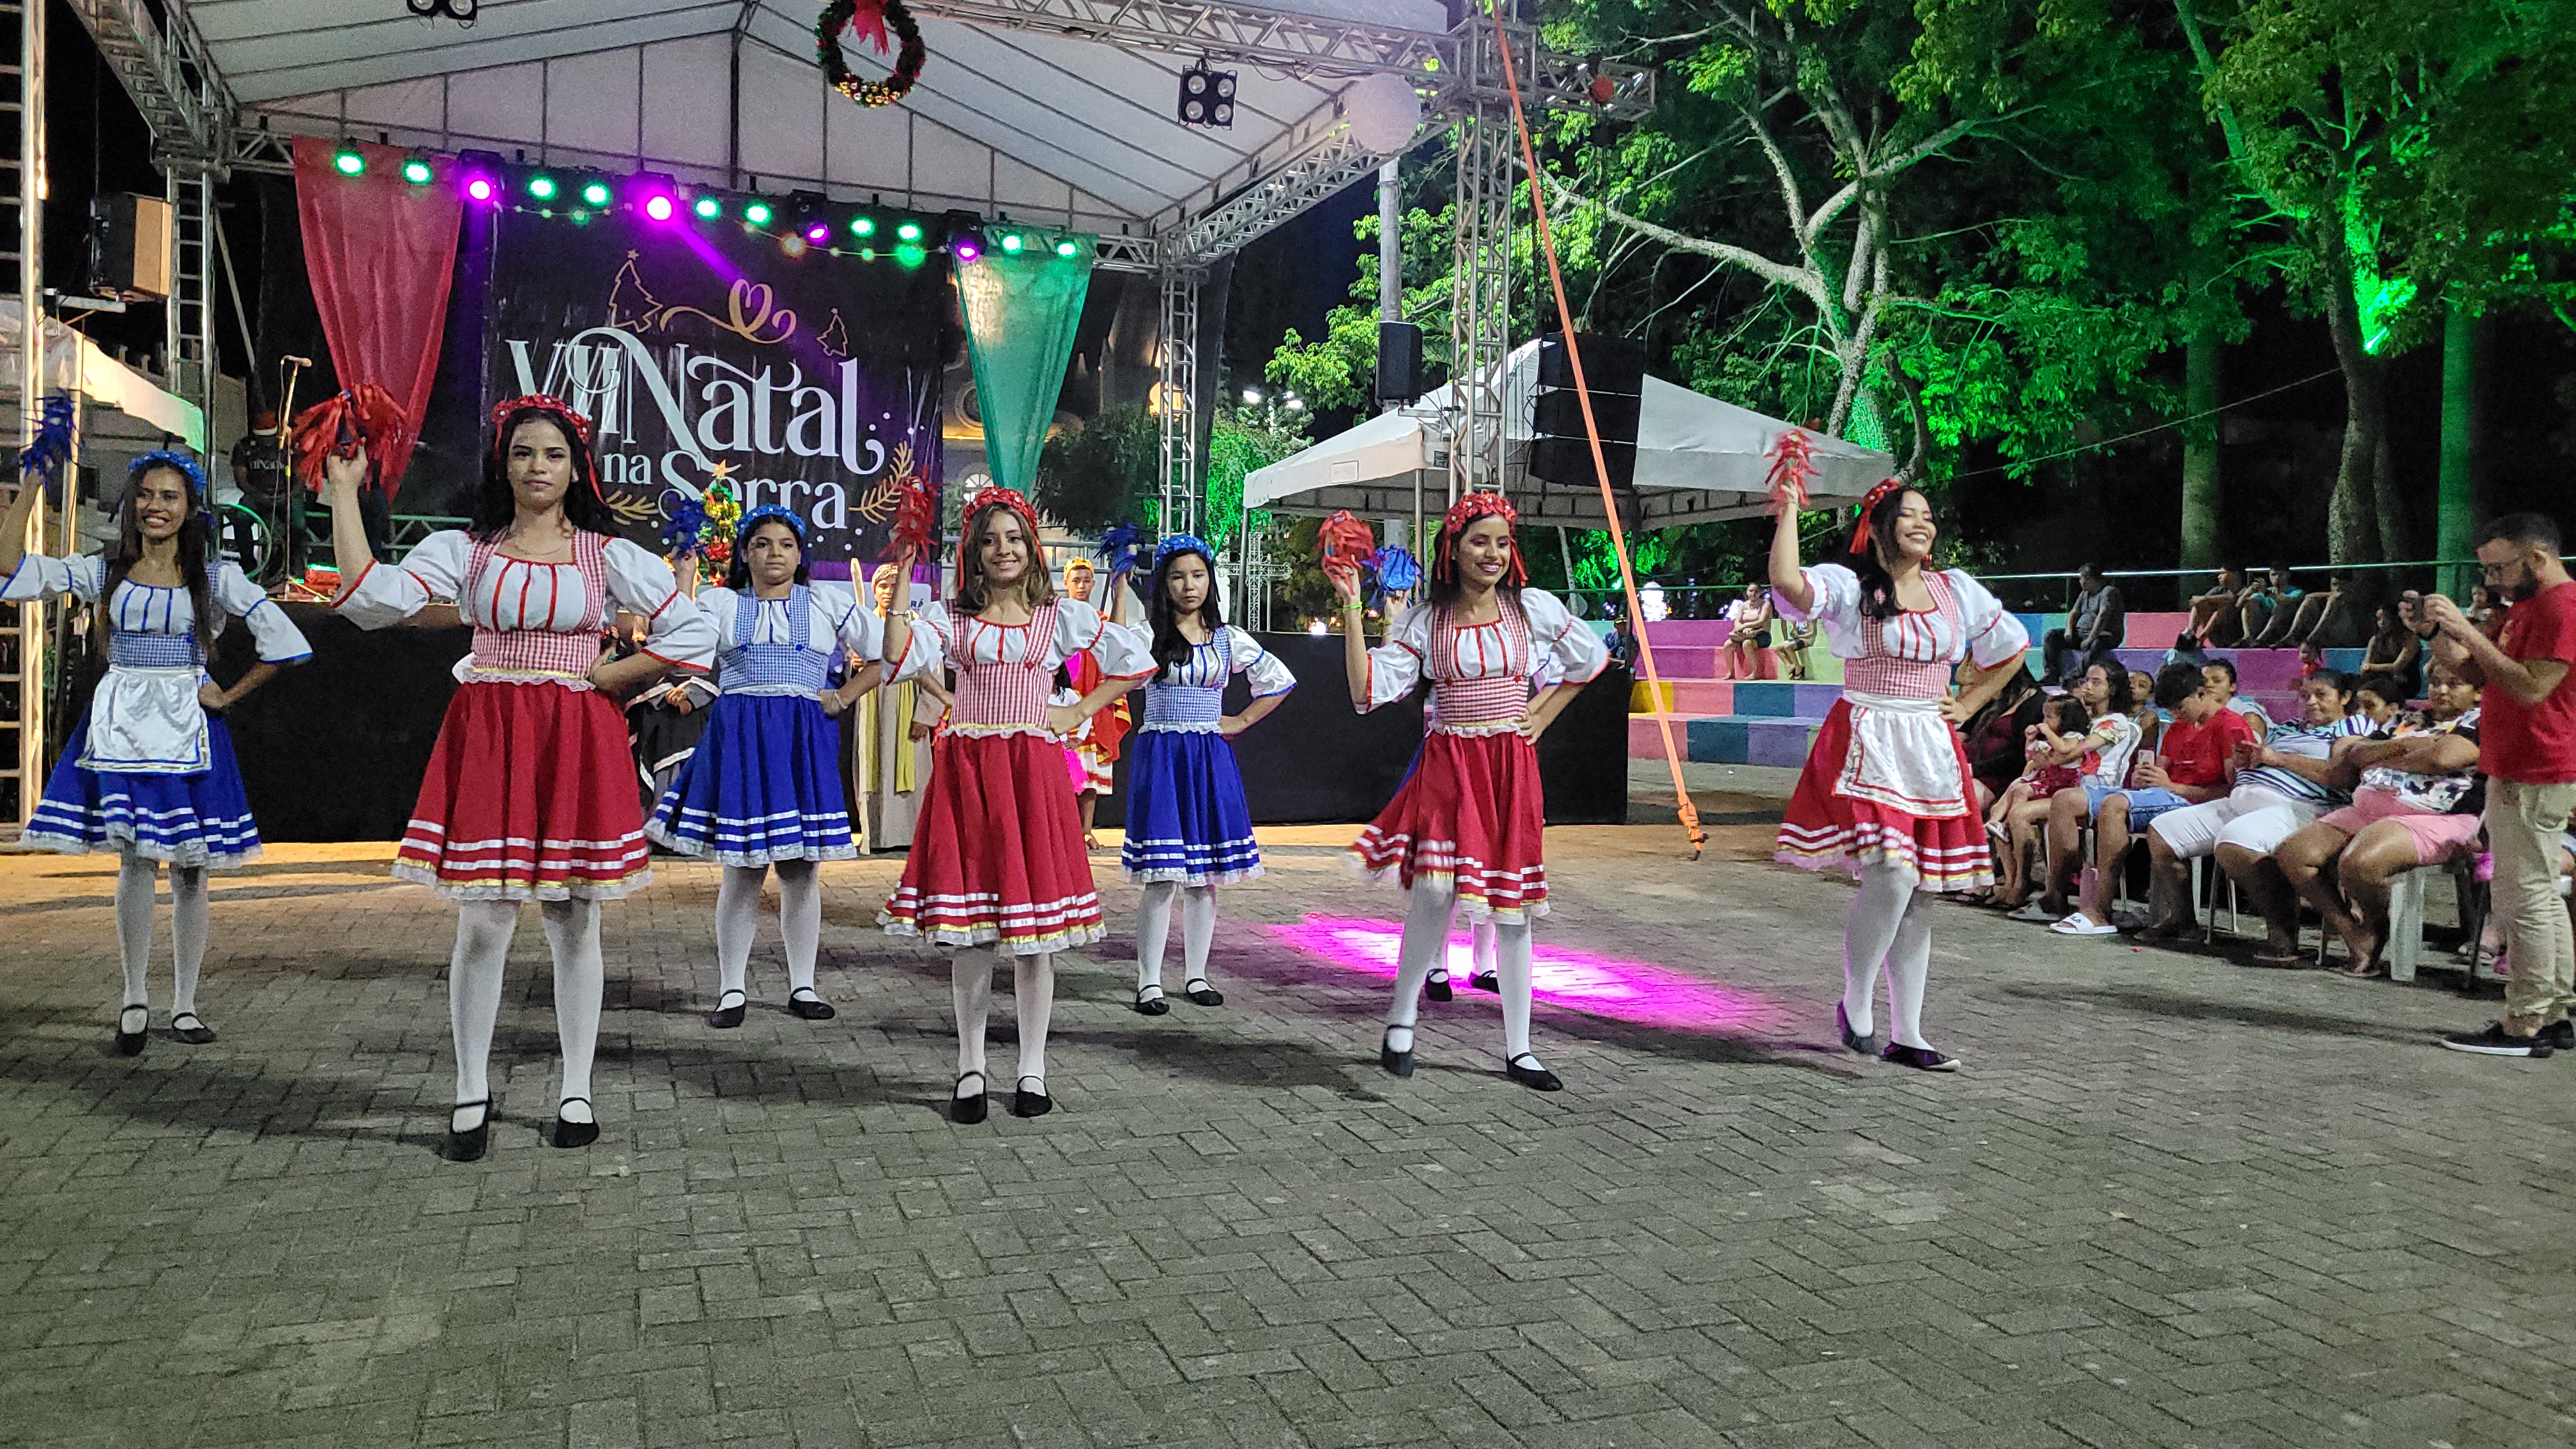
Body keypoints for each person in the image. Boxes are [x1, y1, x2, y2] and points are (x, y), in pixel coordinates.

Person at [327, 398, 717, 1160]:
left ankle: (577, 1089)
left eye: (553, 454)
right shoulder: (465, 550)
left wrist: (617, 675)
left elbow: (695, 628)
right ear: (502, 466)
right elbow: (369, 602)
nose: (538, 466)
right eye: (523, 453)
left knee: (575, 919)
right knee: (485, 920)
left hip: (574, 736)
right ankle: (471, 1089)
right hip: (493, 733)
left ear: (576, 469)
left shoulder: (606, 556)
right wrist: (345, 491)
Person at [0, 452, 311, 1054]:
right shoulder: (103, 570)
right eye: (145, 494)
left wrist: (229, 694)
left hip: (188, 729)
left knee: (191, 870)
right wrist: (33, 484)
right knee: (136, 861)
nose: (155, 506)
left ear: (190, 508)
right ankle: (135, 997)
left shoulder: (215, 579)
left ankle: (186, 1004)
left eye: (169, 496)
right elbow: (9, 566)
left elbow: (283, 640)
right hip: (121, 726)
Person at [879, 487, 1151, 1120]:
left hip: (1031, 778)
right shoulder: (951, 617)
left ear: (1031, 547)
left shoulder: (1059, 617)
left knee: (1035, 940)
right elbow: (895, 655)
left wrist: (1079, 711)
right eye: (989, 540)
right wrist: (904, 572)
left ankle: (1032, 1069)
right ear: (974, 553)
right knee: (973, 936)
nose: (1003, 550)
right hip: (969, 776)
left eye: (1013, 538)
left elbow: (1136, 662)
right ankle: (970, 1067)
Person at [1330, 492, 1609, 1091]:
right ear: (1453, 549)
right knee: (1435, 893)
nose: (1493, 554)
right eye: (1480, 541)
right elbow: (1365, 690)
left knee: (1513, 908)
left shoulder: (1530, 609)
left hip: (1509, 766)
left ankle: (1520, 1049)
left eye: (1503, 543)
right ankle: (1402, 1018)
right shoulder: (1426, 621)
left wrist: (1542, 713)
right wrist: (1352, 607)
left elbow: (1590, 659)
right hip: (1450, 763)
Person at [1769, 482, 2029, 1071]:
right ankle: (1856, 1000)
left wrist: (1969, 703)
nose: (1922, 524)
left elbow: (2012, 647)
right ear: (1879, 527)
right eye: (1908, 515)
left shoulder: (1955, 589)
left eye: (1928, 516)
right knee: (1893, 873)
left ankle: (1908, 1032)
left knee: (1921, 891)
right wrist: (1789, 509)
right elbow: (1787, 582)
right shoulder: (1851, 587)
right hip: (1869, 733)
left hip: (1930, 743)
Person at [647, 507, 882, 1027]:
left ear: (800, 556)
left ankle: (803, 985)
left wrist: (844, 696)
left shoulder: (824, 603)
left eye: (786, 544)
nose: (775, 553)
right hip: (741, 739)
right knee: (742, 869)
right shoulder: (724, 603)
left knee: (800, 871)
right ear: (745, 554)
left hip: (800, 741)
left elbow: (890, 652)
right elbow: (678, 645)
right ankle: (731, 989)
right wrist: (684, 580)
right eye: (762, 543)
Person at [1123, 535, 1296, 1015]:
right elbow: (1113, 663)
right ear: (1164, 584)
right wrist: (1118, 588)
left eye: (1198, 575)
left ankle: (1196, 975)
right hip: (1162, 756)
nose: (1189, 585)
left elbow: (1279, 680)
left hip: (1207, 757)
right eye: (1178, 576)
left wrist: (1241, 720)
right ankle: (1149, 981)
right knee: (1162, 875)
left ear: (1210, 581)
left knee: (1203, 876)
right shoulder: (1148, 635)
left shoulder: (1227, 638)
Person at [2425, 515, 2576, 1057]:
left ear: (2537, 558)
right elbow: (2476, 672)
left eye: (2499, 568)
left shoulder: (2563, 607)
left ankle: (2525, 1022)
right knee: (2536, 894)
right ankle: (2553, 1013)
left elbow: (2532, 687)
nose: (2493, 580)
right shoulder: (2527, 607)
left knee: (2523, 896)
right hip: (2515, 763)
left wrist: (2468, 632)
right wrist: (2437, 634)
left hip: (2537, 766)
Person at [2128, 673, 2372, 958]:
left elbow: (2340, 775)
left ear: (2344, 698)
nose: (2311, 702)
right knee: (2163, 832)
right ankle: (2183, 919)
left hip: (2299, 805)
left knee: (2235, 842)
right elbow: (2261, 761)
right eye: (2305, 696)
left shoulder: (2352, 726)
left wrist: (2277, 759)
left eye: (2321, 695)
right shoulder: (2287, 728)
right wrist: (2247, 760)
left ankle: (2283, 931)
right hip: (2242, 800)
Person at [2274, 666, 2482, 976]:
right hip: (2368, 809)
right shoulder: (2411, 719)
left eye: (2454, 684)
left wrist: (2383, 757)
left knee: (2359, 863)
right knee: (2294, 854)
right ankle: (2352, 932)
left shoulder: (2480, 721)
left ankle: (2374, 927)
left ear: (2478, 692)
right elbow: (2356, 754)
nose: (2441, 690)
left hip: (2436, 815)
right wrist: (2404, 746)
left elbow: (2442, 759)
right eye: (2436, 682)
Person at [2034, 661, 2256, 934]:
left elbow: (2234, 790)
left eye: (2180, 708)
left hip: (2198, 801)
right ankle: (2055, 896)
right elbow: (2158, 773)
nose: (2175, 715)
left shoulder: (2229, 725)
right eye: (2171, 711)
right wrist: (2145, 778)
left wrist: (2172, 786)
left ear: (2201, 694)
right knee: (2066, 799)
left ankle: (2100, 910)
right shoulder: (2179, 727)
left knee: (2115, 805)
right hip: (2165, 794)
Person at [1995, 663, 2138, 911]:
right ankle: (2012, 882)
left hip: (2096, 791)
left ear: (2113, 689)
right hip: (2068, 787)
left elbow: (2069, 753)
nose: (2087, 687)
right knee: (2010, 802)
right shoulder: (2084, 719)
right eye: (2086, 681)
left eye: (2096, 682)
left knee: (2020, 814)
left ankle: (2028, 887)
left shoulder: (2115, 721)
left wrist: (2048, 754)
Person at [856, 560, 941, 848]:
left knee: (910, 769)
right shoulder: (865, 624)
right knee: (873, 767)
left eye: (895, 586)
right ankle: (877, 835)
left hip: (909, 706)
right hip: (872, 707)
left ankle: (910, 836)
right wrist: (853, 665)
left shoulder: (919, 626)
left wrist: (926, 715)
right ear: (874, 591)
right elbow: (850, 668)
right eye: (883, 586)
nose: (889, 591)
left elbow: (934, 672)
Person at [1060, 557, 1131, 848]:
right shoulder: (1056, 618)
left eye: (1086, 581)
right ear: (1066, 582)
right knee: (1062, 769)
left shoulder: (1100, 620)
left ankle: (1086, 830)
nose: (1081, 586)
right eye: (1076, 580)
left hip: (1093, 700)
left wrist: (1121, 592)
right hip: (1061, 701)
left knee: (1090, 774)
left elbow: (1119, 640)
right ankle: (1062, 830)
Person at [2043, 564, 2124, 685]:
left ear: (2088, 579)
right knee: (2052, 636)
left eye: (2081, 578)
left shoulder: (2108, 592)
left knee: (2097, 643)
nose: (2080, 581)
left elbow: (2103, 616)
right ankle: (2051, 674)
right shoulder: (2084, 594)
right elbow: (2073, 613)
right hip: (2082, 633)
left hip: (2106, 634)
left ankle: (2077, 675)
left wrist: (2090, 638)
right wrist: (2069, 630)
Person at [2358, 605, 2423, 703]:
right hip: (2380, 678)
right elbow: (2365, 666)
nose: (2381, 623)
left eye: (2386, 619)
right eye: (2379, 619)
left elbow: (2396, 667)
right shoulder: (2375, 640)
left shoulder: (2410, 639)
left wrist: (2371, 667)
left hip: (2404, 681)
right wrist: (2366, 667)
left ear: (2395, 619)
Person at [1721, 583, 1777, 679]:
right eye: (1751, 591)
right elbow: (1737, 621)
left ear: (1760, 593)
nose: (1753, 594)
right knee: (1728, 645)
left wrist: (1746, 626)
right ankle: (1731, 672)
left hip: (1761, 634)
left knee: (1747, 643)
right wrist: (1743, 629)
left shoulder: (1766, 604)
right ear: (1747, 592)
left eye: (1756, 591)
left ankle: (1756, 672)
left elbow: (1761, 621)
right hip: (1745, 633)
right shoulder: (1744, 606)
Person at [2187, 567, 2250, 645]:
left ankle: (2200, 639)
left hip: (2234, 633)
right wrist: (2201, 600)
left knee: (2223, 609)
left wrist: (2205, 598)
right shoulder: (2219, 590)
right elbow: (2197, 602)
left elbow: (2233, 599)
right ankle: (2190, 634)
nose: (2219, 577)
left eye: (2222, 573)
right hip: (2217, 634)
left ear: (2235, 575)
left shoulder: (2246, 591)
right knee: (2200, 605)